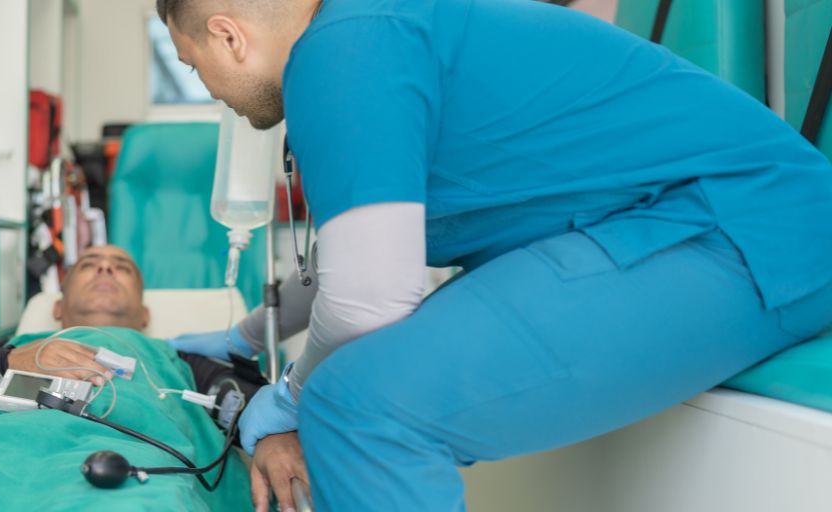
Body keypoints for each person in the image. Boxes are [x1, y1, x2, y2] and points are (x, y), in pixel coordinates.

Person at [157, 0, 832, 509]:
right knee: (355, 390)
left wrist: (291, 395)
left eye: (192, 64)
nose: (208, 86)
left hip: (749, 227)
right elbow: (356, 255)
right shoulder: (360, 35)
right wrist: (248, 336)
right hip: (668, 223)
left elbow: (368, 299)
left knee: (362, 408)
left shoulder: (341, 53)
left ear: (228, 34)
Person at [0, 245, 307, 510]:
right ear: (57, 308)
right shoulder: (0, 354)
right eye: (89, 264)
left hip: (134, 469)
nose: (104, 269)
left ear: (144, 314)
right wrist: (10, 361)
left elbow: (249, 402)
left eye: (121, 267)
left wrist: (272, 435)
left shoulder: (178, 359)